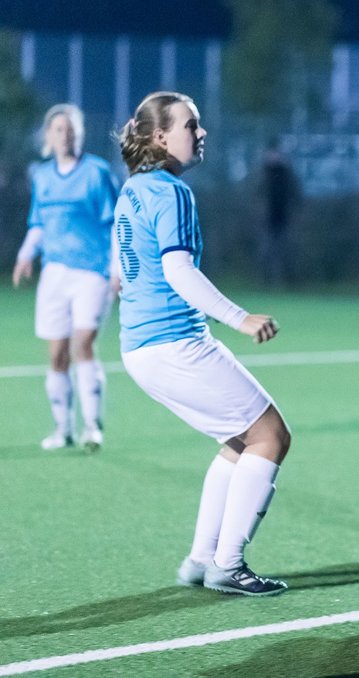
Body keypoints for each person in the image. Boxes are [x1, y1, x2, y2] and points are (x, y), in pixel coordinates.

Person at [114, 91, 291, 596]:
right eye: (191, 125)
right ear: (159, 137)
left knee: (238, 443)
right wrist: (240, 318)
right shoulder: (171, 192)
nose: (201, 132)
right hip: (174, 344)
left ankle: (200, 559)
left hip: (141, 348)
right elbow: (178, 271)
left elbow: (123, 265)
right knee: (271, 436)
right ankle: (228, 565)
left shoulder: (134, 189)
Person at [12, 104, 119, 451]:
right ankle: (63, 429)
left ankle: (93, 426)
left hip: (92, 272)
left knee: (83, 345)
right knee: (57, 353)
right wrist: (26, 255)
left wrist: (117, 269)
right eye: (58, 129)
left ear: (80, 133)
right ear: (48, 135)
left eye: (70, 128)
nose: (65, 135)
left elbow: (115, 224)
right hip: (55, 273)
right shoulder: (42, 176)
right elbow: (39, 222)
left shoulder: (97, 172)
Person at [257, 138, 301, 287]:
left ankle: (284, 281)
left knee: (285, 250)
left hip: (284, 217)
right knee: (266, 250)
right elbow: (256, 195)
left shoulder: (286, 173)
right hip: (266, 219)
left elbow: (295, 194)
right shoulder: (262, 173)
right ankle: (265, 280)